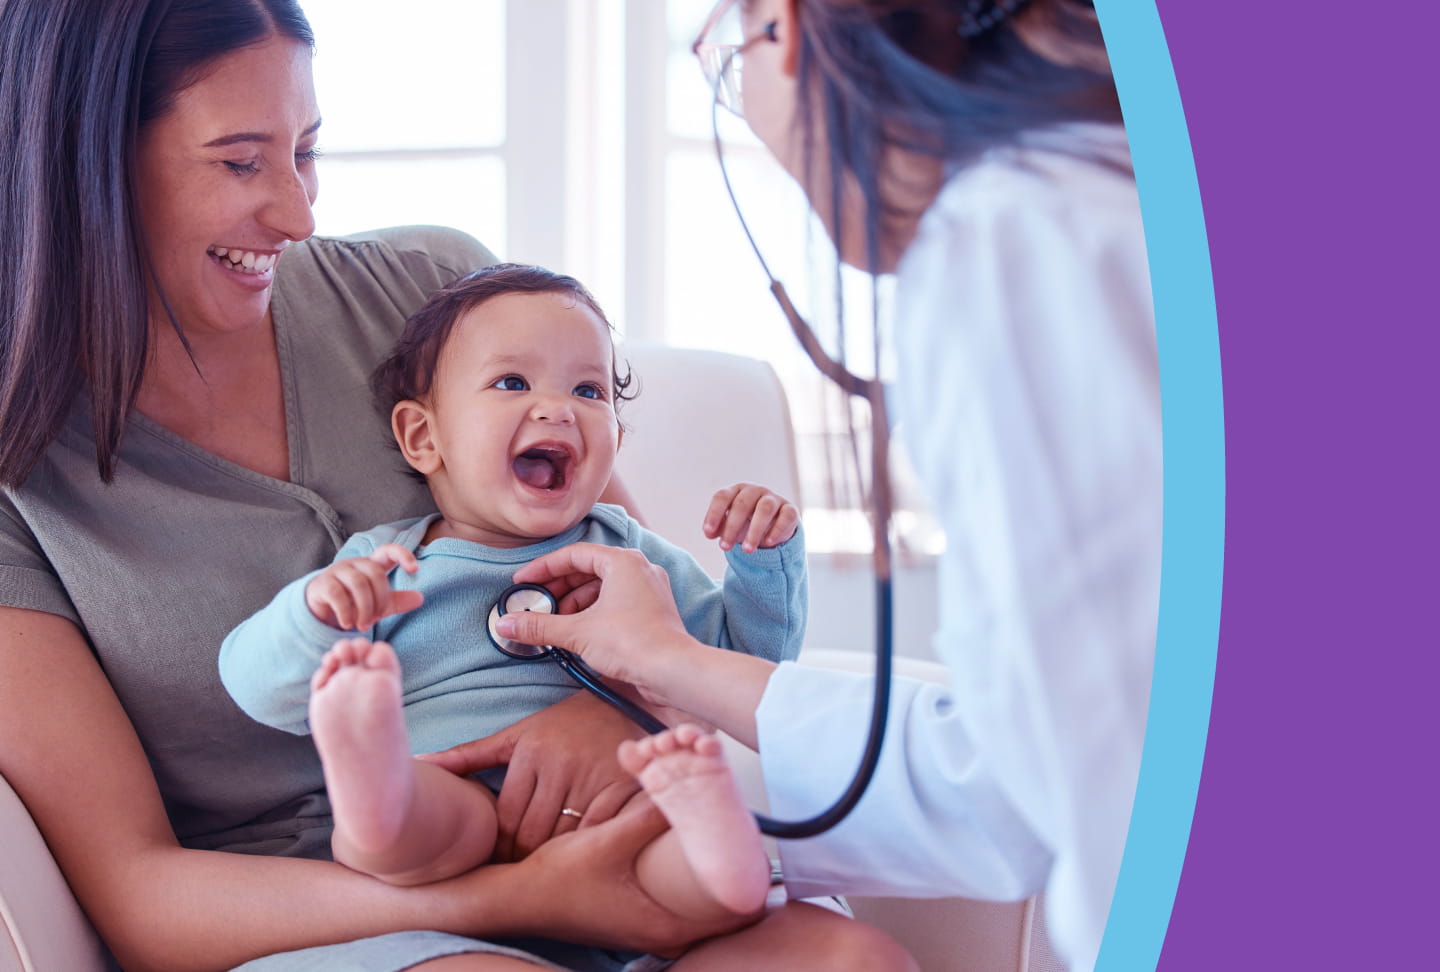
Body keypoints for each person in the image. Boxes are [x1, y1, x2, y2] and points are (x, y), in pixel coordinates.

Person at [0, 2, 916, 970]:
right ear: (81, 165)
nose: (299, 216)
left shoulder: (430, 293)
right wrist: (528, 898)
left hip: (607, 843)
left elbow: (633, 599)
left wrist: (611, 714)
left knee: (846, 961)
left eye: (307, 151)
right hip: (322, 920)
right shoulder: (22, 475)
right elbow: (141, 896)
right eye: (239, 161)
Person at [477, 1, 1161, 970]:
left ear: (782, 29)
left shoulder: (1016, 244)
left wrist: (679, 682)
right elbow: (1033, 759)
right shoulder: (1108, 194)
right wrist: (669, 671)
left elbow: (1076, 777)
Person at [218, 264, 805, 925]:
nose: (558, 407)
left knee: (687, 874)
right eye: (512, 382)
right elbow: (257, 689)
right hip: (453, 791)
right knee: (407, 830)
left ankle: (718, 847)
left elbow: (742, 665)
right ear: (423, 438)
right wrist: (315, 616)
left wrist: (760, 564)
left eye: (589, 389)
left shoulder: (630, 557)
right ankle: (374, 778)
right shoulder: (388, 566)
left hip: (619, 807)